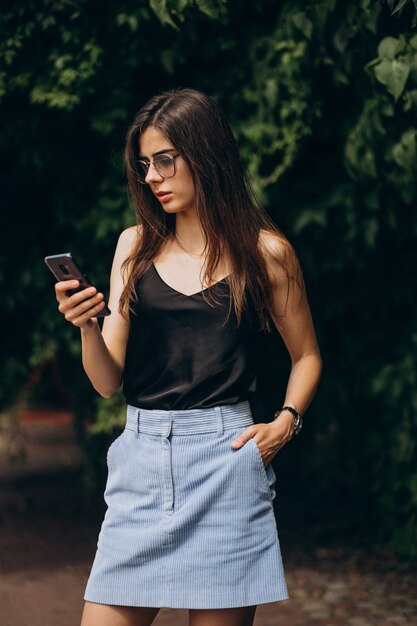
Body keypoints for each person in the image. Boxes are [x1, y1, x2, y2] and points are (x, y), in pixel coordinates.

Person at [54, 88, 322, 626]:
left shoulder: (266, 253)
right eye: (144, 164)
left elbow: (308, 356)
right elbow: (108, 381)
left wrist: (284, 423)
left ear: (206, 154)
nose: (152, 176)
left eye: (165, 160)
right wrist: (87, 326)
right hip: (142, 461)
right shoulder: (134, 247)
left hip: (226, 462)